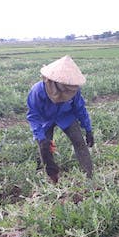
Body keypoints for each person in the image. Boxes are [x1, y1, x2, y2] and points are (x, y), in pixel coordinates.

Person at [26, 55, 94, 183]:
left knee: (79, 142)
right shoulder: (37, 91)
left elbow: (80, 109)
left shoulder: (73, 90)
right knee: (44, 147)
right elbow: (33, 116)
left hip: (66, 116)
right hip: (45, 119)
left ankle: (89, 177)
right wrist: (40, 138)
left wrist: (88, 129)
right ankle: (52, 178)